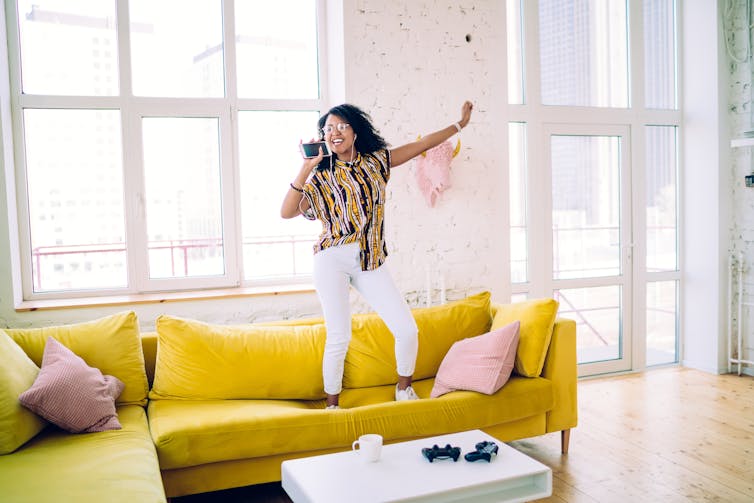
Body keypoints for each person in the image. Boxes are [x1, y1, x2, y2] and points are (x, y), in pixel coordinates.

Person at [281, 101, 474, 409]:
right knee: (339, 336)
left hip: (370, 260)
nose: (334, 132)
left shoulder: (377, 162)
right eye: (328, 129)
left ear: (355, 132)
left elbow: (422, 144)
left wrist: (459, 124)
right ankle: (332, 405)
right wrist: (307, 165)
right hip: (331, 258)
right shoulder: (320, 175)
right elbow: (287, 212)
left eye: (341, 126)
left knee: (407, 329)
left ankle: (403, 389)